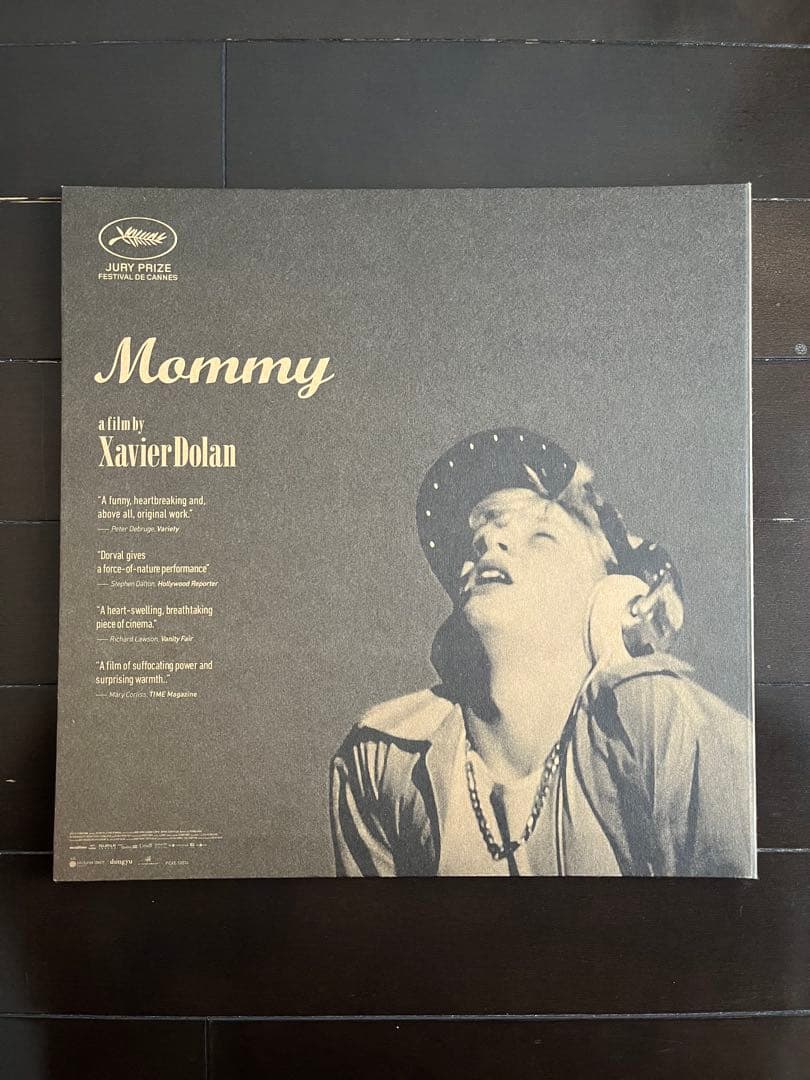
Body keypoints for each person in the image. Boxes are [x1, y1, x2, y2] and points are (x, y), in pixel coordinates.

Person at [330, 428, 755, 877]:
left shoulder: (654, 716)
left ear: (614, 592)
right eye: (476, 544)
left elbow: (741, 906)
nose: (487, 543)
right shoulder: (384, 756)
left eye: (541, 535)